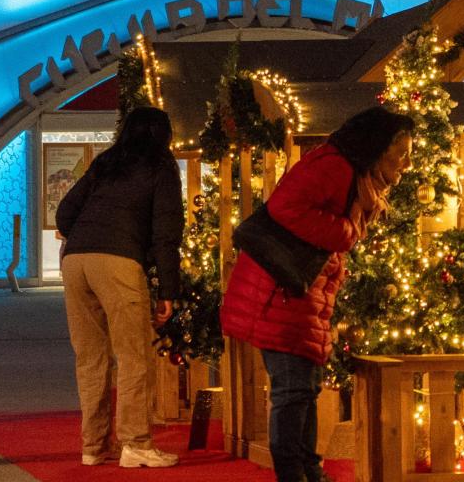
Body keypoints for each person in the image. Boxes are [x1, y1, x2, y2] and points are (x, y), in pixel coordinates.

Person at [221, 107, 415, 482]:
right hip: (279, 295)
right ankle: (295, 475)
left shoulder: (357, 178)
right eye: (402, 151)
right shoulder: (334, 167)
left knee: (304, 390)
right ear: (377, 146)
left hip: (299, 298)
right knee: (293, 392)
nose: (407, 163)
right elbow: (285, 207)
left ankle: (311, 472)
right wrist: (342, 232)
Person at [55, 106, 184, 469]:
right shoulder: (161, 167)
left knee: (90, 358)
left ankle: (94, 446)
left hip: (76, 262)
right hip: (119, 261)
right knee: (133, 356)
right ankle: (136, 443)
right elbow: (166, 233)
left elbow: (65, 212)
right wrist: (168, 292)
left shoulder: (107, 162)